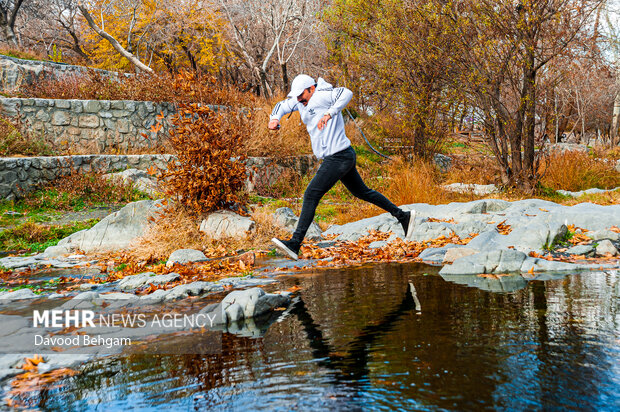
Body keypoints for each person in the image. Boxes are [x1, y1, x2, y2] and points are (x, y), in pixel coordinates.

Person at [268, 74, 416, 260]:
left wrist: (330, 113)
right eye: (296, 96)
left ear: (311, 89)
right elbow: (282, 105)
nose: (298, 99)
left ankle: (295, 244)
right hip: (342, 156)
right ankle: (403, 216)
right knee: (362, 192)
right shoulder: (299, 101)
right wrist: (274, 119)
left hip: (338, 157)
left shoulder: (322, 95)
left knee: (311, 194)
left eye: (301, 95)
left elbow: (346, 93)